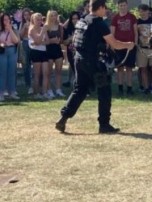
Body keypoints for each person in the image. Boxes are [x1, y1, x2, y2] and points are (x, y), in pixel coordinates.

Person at [55, 0, 135, 134]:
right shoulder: (99, 23)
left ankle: (63, 118)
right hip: (94, 62)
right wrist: (128, 45)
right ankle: (104, 124)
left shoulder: (83, 20)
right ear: (101, 8)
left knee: (79, 90)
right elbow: (114, 43)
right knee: (104, 92)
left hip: (79, 60)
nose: (106, 11)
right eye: (105, 8)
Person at [111, 0, 138, 96]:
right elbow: (112, 33)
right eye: (121, 5)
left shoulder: (132, 17)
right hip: (119, 46)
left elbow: (135, 32)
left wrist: (135, 44)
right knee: (120, 68)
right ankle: (120, 88)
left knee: (129, 68)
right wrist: (113, 45)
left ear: (127, 6)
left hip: (130, 46)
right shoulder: (115, 18)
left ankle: (130, 88)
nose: (122, 7)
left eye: (124, 5)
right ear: (118, 6)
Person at [136, 4, 152, 94]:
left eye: (143, 11)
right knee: (143, 69)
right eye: (140, 11)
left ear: (147, 12)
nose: (141, 13)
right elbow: (135, 35)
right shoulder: (137, 22)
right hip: (141, 48)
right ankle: (146, 88)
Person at [29, 12, 51, 100]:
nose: (39, 21)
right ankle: (36, 93)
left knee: (45, 73)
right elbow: (38, 41)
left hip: (43, 52)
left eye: (40, 19)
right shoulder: (31, 29)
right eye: (37, 19)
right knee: (37, 74)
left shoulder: (43, 28)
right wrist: (42, 33)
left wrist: (40, 41)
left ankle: (45, 92)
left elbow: (48, 42)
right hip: (35, 52)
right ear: (33, 20)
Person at [44, 10, 65, 98]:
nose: (53, 17)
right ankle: (49, 90)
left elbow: (62, 39)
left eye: (55, 15)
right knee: (48, 72)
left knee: (59, 71)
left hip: (57, 49)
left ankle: (58, 89)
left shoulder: (60, 26)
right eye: (52, 15)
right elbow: (46, 41)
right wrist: (52, 40)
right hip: (49, 50)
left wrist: (59, 41)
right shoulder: (45, 26)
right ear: (49, 16)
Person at [0, 13, 20, 101]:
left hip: (12, 51)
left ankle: (12, 92)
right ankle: (1, 93)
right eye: (4, 19)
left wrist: (10, 30)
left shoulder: (14, 29)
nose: (6, 21)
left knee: (12, 72)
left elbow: (16, 41)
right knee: (2, 73)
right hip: (2, 51)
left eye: (8, 19)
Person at [62, 11, 81, 88]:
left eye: (77, 18)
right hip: (71, 52)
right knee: (74, 69)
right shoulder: (68, 29)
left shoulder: (83, 28)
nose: (75, 20)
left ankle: (82, 87)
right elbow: (64, 42)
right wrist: (71, 38)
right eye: (73, 19)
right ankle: (77, 86)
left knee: (81, 71)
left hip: (81, 52)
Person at [19, 8, 33, 94]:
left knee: (35, 64)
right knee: (26, 65)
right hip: (25, 42)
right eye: (25, 15)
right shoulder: (22, 23)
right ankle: (29, 85)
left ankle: (35, 84)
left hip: (33, 42)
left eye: (28, 14)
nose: (26, 16)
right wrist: (24, 27)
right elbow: (20, 36)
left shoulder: (34, 22)